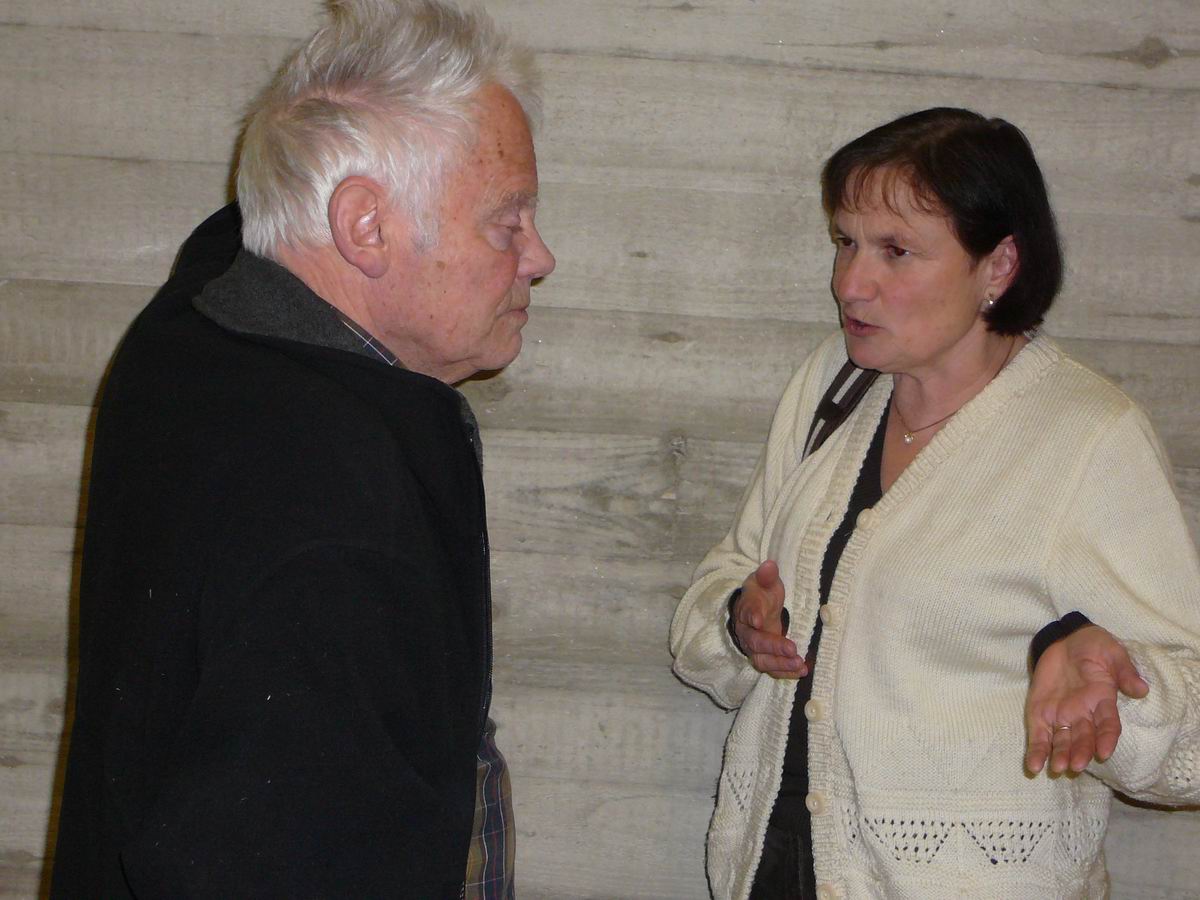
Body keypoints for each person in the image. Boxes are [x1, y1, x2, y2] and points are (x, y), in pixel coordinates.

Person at [50, 1, 554, 897]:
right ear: (364, 227)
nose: (539, 256)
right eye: (506, 222)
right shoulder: (335, 512)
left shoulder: (203, 324)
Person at [670, 107, 1200, 899]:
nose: (850, 282)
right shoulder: (834, 385)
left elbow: (1192, 737)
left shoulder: (1087, 436)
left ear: (998, 265)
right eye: (845, 242)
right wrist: (738, 624)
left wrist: (1117, 686)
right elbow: (720, 589)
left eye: (896, 250)